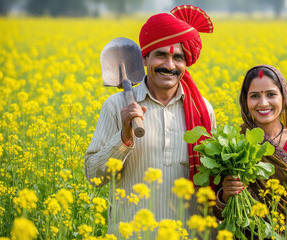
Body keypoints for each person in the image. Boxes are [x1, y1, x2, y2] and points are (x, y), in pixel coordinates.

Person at [85, 5, 216, 235]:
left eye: (178, 57)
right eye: (161, 55)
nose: (170, 65)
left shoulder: (202, 110)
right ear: (144, 59)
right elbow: (94, 177)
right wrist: (124, 138)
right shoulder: (117, 106)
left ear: (187, 63)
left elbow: (213, 183)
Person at [214, 65, 287, 240]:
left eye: (271, 94)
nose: (263, 103)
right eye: (254, 96)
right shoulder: (233, 142)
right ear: (245, 101)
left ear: (284, 99)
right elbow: (218, 213)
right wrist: (225, 194)